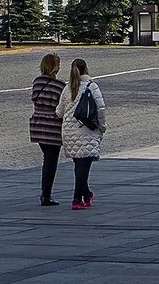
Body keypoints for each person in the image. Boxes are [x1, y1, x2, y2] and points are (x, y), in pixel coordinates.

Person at [54, 58, 106, 211]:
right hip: (88, 130)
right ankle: (78, 198)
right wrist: (102, 127)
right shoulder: (92, 86)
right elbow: (100, 110)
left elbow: (59, 112)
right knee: (84, 166)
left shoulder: (67, 88)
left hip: (69, 132)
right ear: (86, 69)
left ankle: (86, 194)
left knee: (79, 166)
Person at [29, 53, 66, 206]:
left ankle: (46, 194)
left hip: (37, 125)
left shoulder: (37, 82)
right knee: (51, 161)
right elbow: (62, 106)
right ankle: (46, 195)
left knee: (47, 158)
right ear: (56, 67)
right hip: (52, 127)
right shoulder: (60, 86)